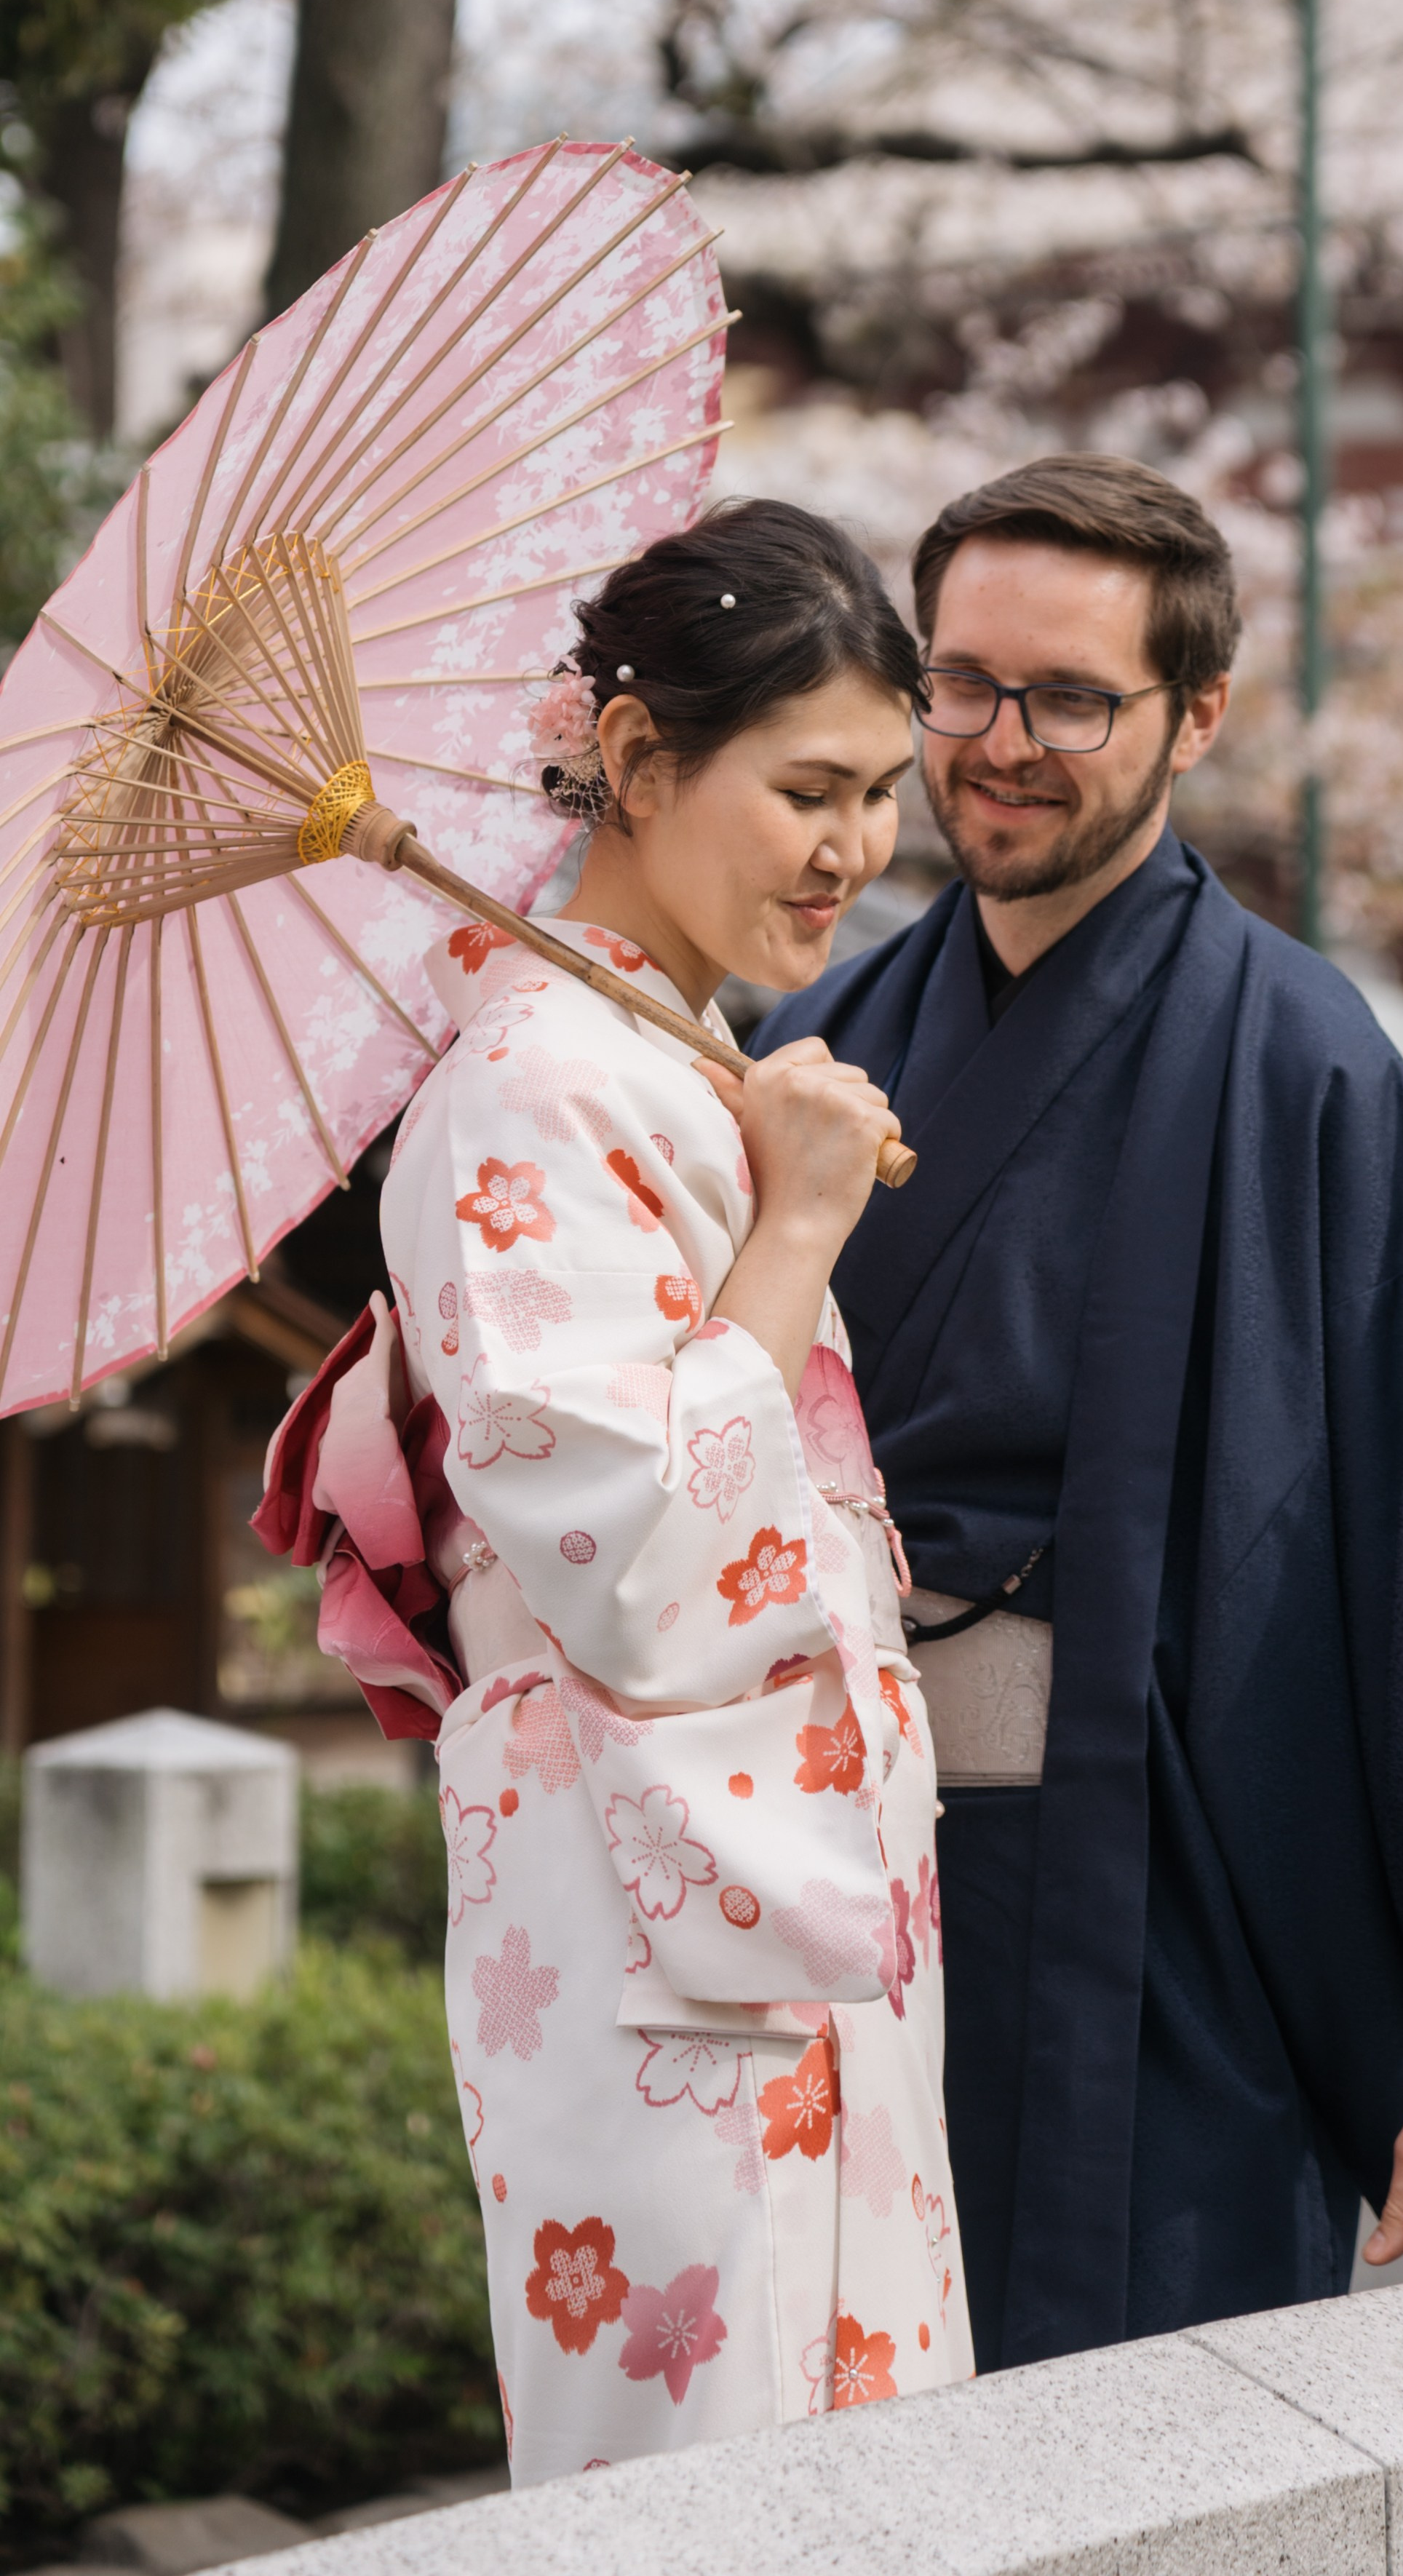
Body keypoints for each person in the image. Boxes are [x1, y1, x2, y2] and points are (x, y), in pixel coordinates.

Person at [755, 453, 1403, 2371]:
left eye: (1070, 700)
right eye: (962, 684)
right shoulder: (813, 1056)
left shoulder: (1302, 1065)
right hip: (830, 1901)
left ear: (1197, 717)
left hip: (1149, 1912)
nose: (998, 744)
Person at [256, 501, 974, 2475]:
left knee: (850, 2469)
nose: (855, 851)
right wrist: (804, 1213)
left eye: (879, 797)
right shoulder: (528, 1085)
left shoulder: (654, 1061)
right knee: (704, 2472)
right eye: (807, 788)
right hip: (646, 1897)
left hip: (765, 1879)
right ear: (643, 761)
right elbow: (641, 1559)